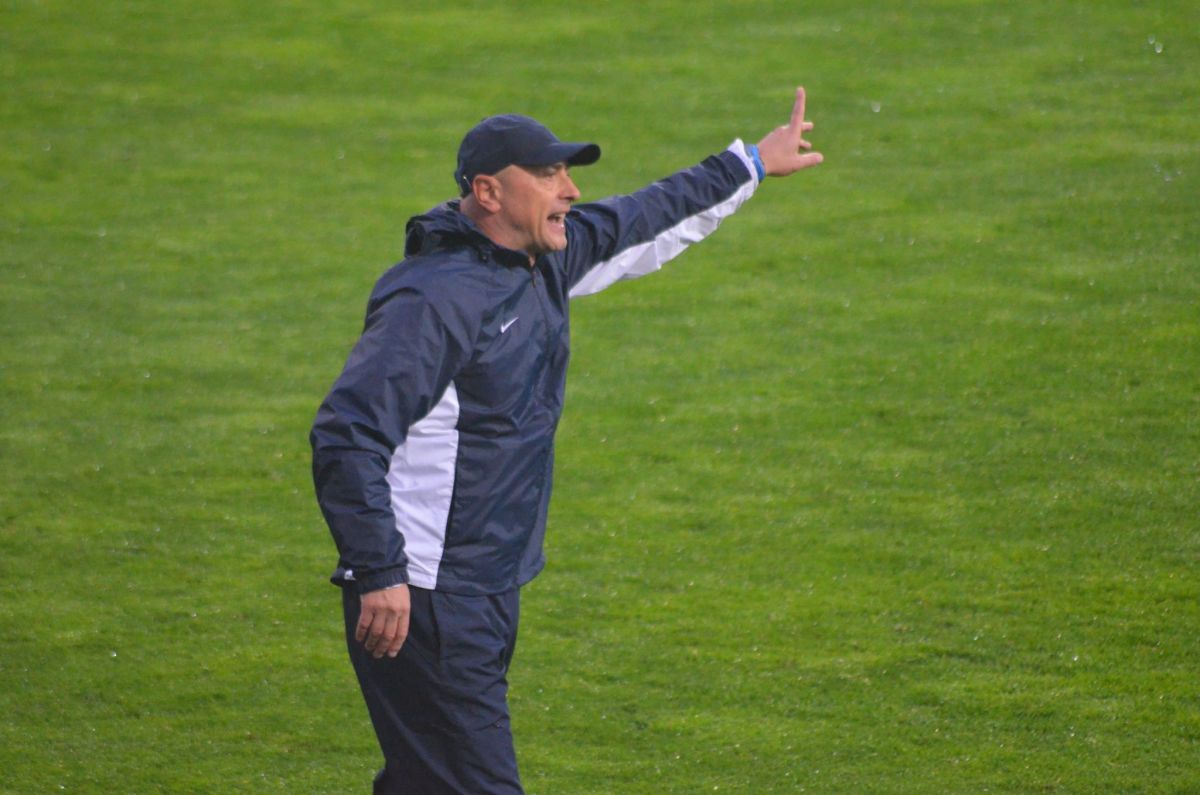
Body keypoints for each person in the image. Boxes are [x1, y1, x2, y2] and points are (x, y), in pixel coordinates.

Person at [311, 87, 823, 794]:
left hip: (487, 580)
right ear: (488, 192)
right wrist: (379, 571)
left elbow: (646, 215)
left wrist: (752, 163)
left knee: (426, 781)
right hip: (426, 595)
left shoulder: (538, 259)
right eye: (548, 175)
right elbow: (347, 433)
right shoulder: (435, 301)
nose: (571, 191)